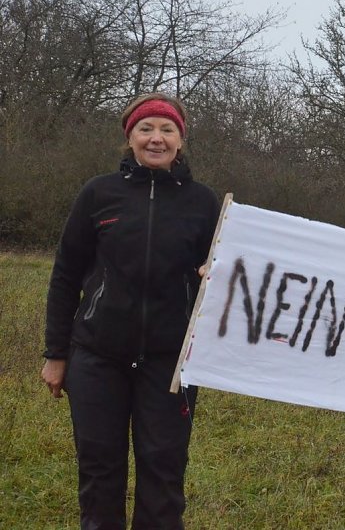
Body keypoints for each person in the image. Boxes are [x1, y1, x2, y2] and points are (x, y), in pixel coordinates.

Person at [41, 93, 221, 529]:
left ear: (181, 140)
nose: (155, 138)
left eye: (166, 130)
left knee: (163, 470)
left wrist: (209, 272)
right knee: (100, 470)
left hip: (169, 363)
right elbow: (66, 274)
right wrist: (55, 354)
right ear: (130, 137)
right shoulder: (98, 193)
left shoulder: (204, 202)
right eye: (146, 129)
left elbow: (222, 275)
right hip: (98, 356)